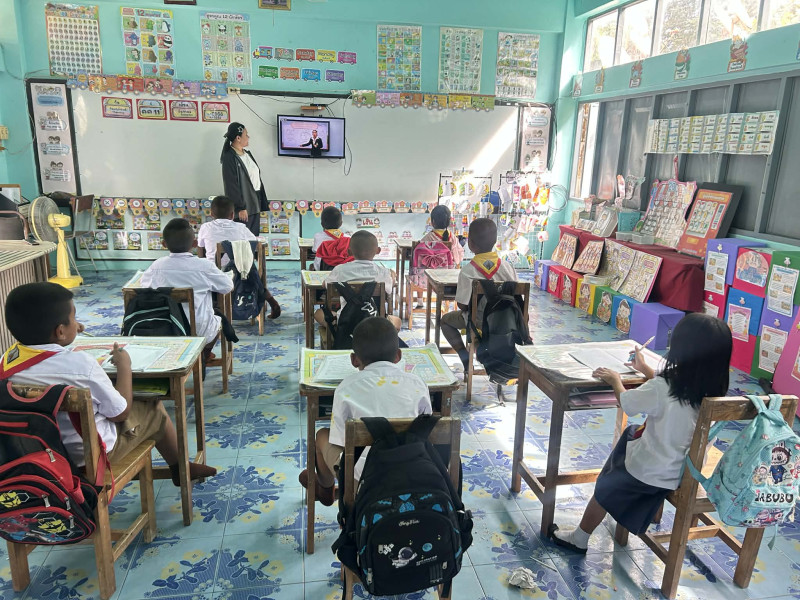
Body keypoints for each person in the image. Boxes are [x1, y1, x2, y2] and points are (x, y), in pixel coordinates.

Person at [548, 313, 733, 553]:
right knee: (634, 433)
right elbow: (675, 397)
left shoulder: (664, 386)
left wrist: (615, 379)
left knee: (605, 486)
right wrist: (645, 369)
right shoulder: (715, 391)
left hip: (651, 472)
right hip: (684, 472)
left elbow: (628, 404)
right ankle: (644, 510)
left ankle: (579, 538)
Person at [2, 282, 217, 485]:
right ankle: (180, 468)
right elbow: (120, 413)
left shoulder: (6, 361)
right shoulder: (81, 365)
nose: (77, 324)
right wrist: (124, 366)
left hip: (33, 455)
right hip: (88, 458)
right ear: (60, 331)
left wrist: (70, 332)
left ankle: (180, 468)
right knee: (152, 407)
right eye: (73, 318)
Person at [298, 317, 432, 505]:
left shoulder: (345, 388)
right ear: (398, 356)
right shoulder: (418, 383)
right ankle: (327, 490)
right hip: (415, 472)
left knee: (322, 436)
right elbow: (428, 430)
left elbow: (341, 440)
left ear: (354, 360)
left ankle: (325, 489)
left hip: (365, 481)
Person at [141, 218, 234, 366]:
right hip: (199, 330)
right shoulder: (204, 266)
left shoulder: (156, 266)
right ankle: (204, 354)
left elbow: (144, 287)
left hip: (167, 327)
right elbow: (227, 287)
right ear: (195, 244)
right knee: (219, 319)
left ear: (164, 244)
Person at [439, 218, 517, 371]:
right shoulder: (508, 268)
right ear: (495, 241)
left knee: (445, 321)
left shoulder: (468, 271)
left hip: (478, 324)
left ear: (470, 243)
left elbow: (463, 305)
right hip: (507, 322)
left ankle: (464, 356)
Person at [197, 195, 281, 319]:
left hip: (215, 274)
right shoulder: (241, 228)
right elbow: (254, 244)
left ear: (211, 214)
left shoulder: (205, 228)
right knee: (253, 271)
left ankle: (215, 308)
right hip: (241, 274)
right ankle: (270, 301)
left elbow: (200, 248)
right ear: (232, 215)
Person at [313, 230, 400, 346]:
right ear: (378, 251)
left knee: (318, 313)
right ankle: (378, 339)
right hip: (375, 320)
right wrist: (392, 275)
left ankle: (339, 328)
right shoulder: (383, 272)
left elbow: (325, 285)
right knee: (397, 321)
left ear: (349, 251)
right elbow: (389, 288)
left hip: (346, 320)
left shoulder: (340, 269)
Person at [220, 122, 269, 237]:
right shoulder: (230, 157)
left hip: (255, 201)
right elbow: (231, 185)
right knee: (243, 239)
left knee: (253, 237)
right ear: (238, 138)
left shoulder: (247, 154)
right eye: (246, 135)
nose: (248, 137)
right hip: (244, 204)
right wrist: (240, 208)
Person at [312, 205, 351, 270]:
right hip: (343, 269)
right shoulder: (348, 238)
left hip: (323, 268)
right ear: (341, 223)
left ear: (322, 224)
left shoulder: (318, 236)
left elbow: (315, 250)